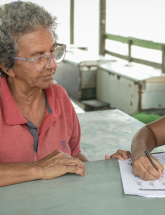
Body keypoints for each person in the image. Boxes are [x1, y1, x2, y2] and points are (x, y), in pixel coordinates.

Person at [0, 1, 89, 187]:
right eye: (40, 57)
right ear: (7, 66)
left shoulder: (59, 97)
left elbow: (73, 154)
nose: (53, 65)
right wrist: (39, 168)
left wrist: (106, 170)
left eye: (52, 51)